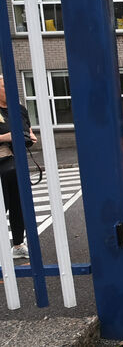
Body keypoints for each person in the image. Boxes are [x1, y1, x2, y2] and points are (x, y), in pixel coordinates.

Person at [0, 76, 37, 259]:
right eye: (4, 86)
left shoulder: (19, 109)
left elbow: (28, 130)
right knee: (3, 207)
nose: (9, 89)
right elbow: (11, 134)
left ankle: (18, 245)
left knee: (19, 206)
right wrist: (6, 137)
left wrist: (31, 136)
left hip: (17, 164)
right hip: (1, 164)